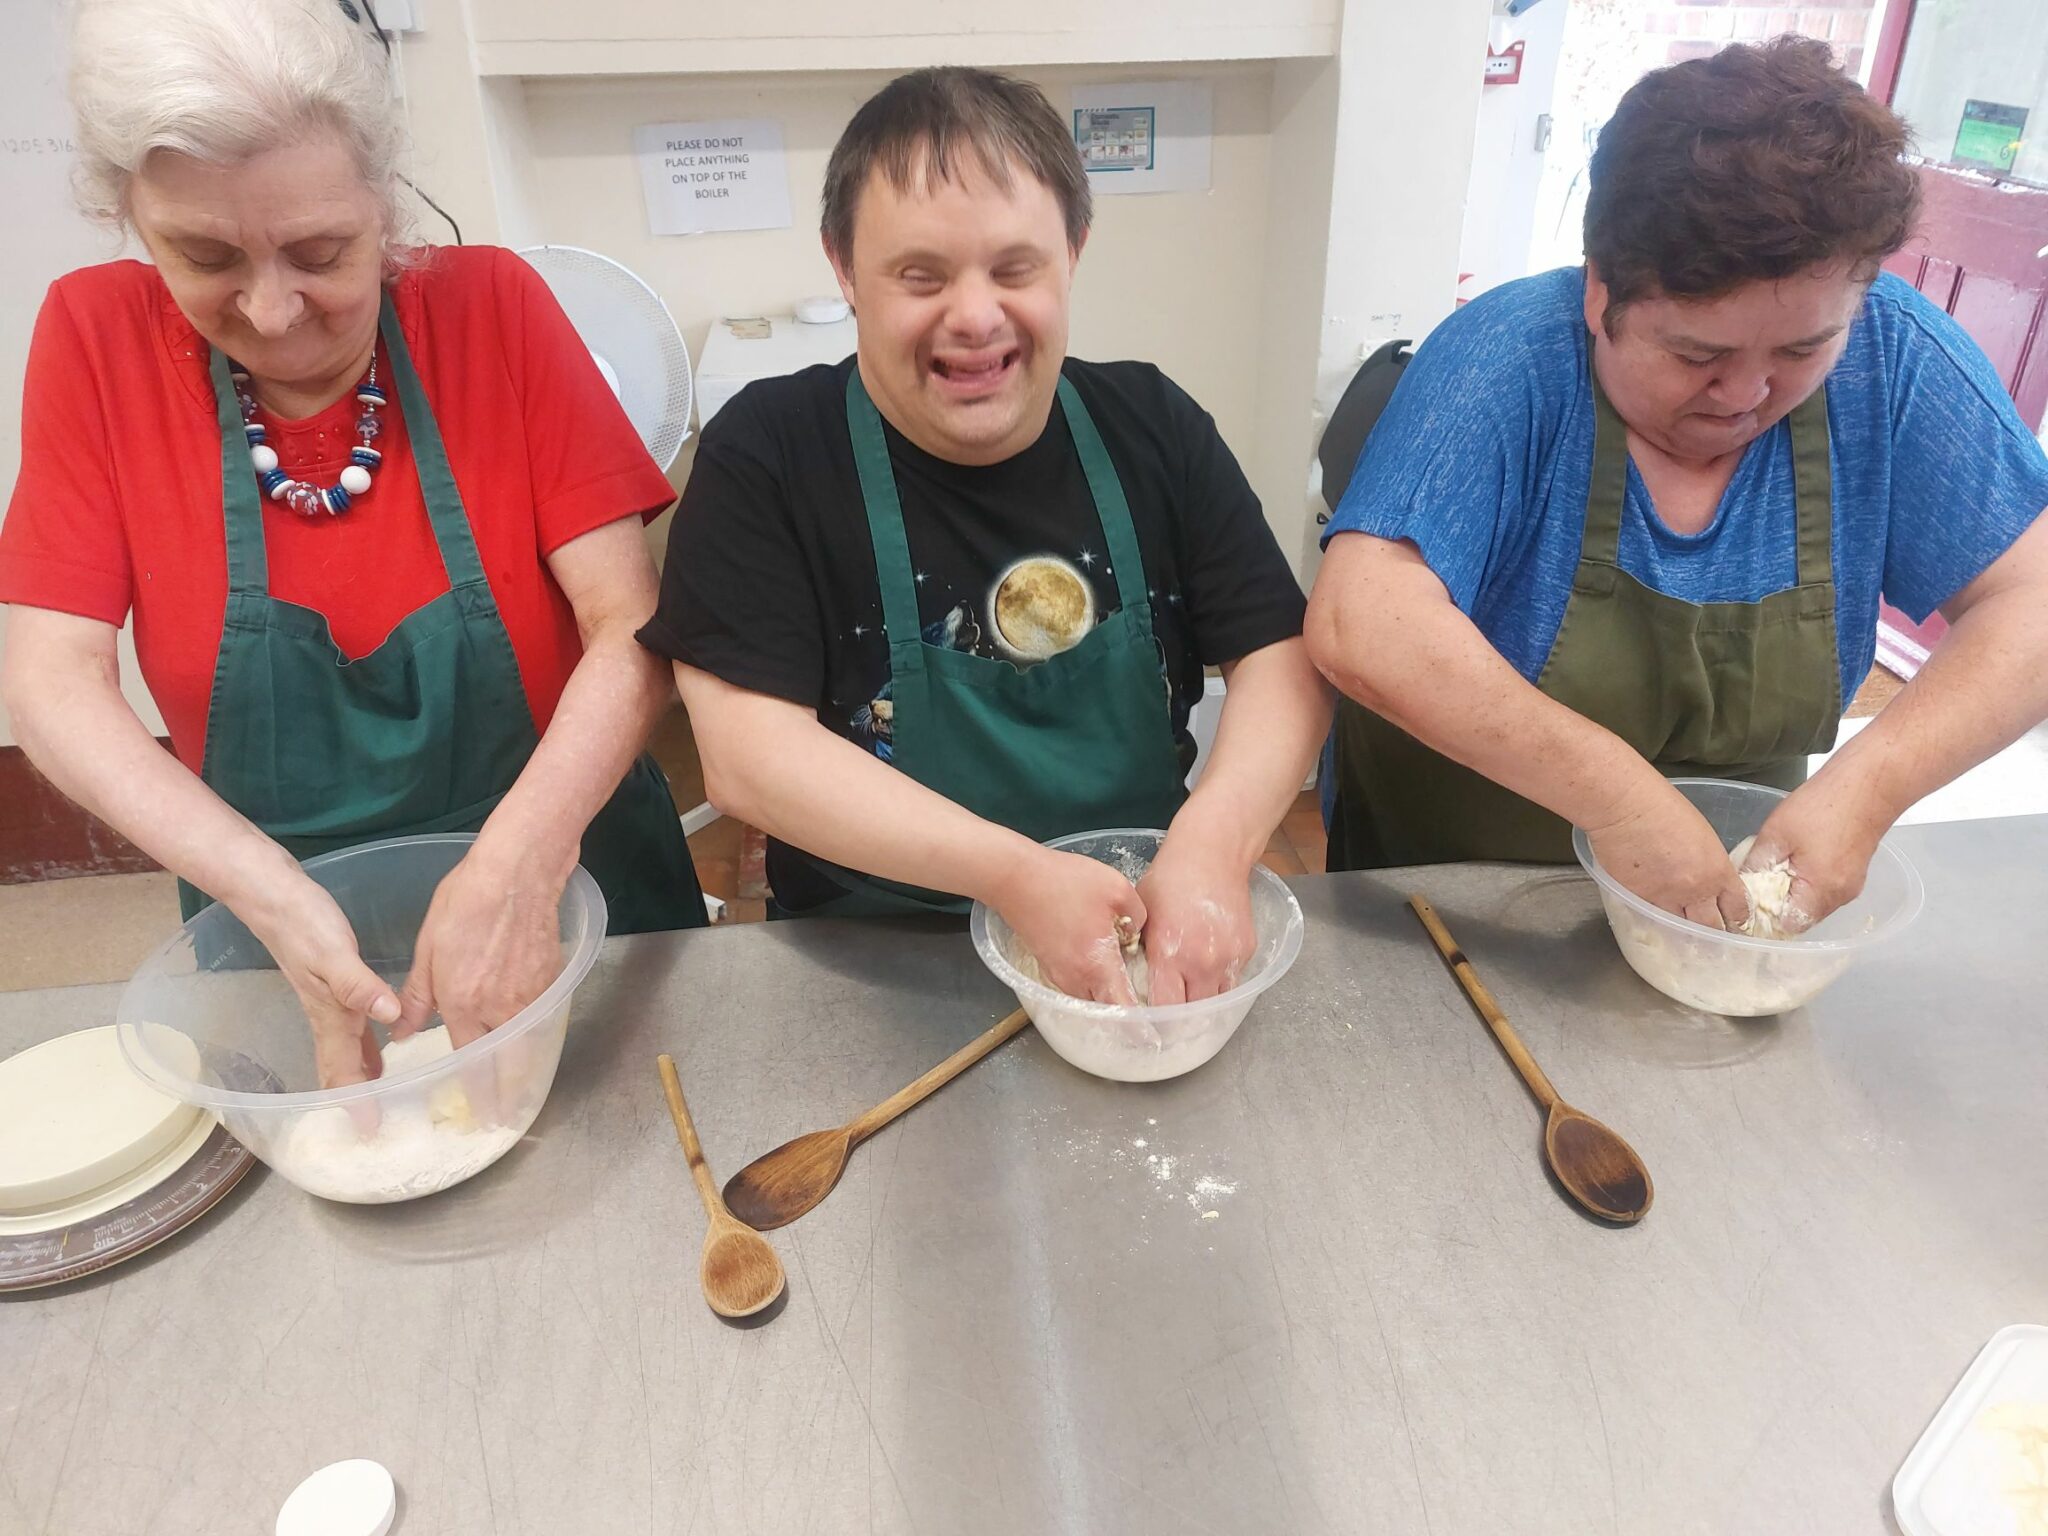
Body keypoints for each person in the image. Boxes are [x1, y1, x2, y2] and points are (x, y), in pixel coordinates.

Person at [0, 0, 705, 1090]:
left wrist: (522, 865)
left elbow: (629, 625)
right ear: (128, 212)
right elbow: (53, 682)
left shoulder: (493, 311)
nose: (272, 310)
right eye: (204, 255)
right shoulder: (98, 342)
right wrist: (271, 897)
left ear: (384, 202)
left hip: (567, 872)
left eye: (320, 252)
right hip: (276, 921)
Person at [1307, 37, 2048, 934]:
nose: (1745, 395)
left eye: (1802, 349)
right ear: (1601, 293)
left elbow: (2033, 599)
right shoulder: (1508, 360)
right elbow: (1363, 620)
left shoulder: (1894, 361)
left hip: (1727, 917)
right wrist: (1618, 800)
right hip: (1454, 898)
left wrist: (1872, 786)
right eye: (1698, 354)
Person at [640, 67, 1330, 1004]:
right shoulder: (769, 454)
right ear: (843, 266)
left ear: (1073, 253)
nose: (974, 317)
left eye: (1015, 269)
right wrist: (1016, 878)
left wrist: (1214, 843)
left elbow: (1280, 658)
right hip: (874, 962)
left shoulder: (1152, 426)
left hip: (1142, 939)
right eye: (920, 276)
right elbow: (747, 753)